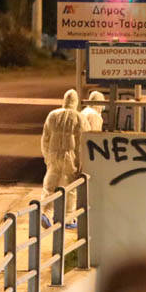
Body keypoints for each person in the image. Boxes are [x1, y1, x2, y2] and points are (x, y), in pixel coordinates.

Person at [40, 89, 84, 229]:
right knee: (71, 187)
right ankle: (68, 218)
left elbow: (45, 139)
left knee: (50, 185)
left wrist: (47, 157)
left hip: (53, 155)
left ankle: (45, 213)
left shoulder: (52, 115)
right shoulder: (79, 117)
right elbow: (82, 142)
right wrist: (80, 163)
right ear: (76, 102)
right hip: (70, 157)